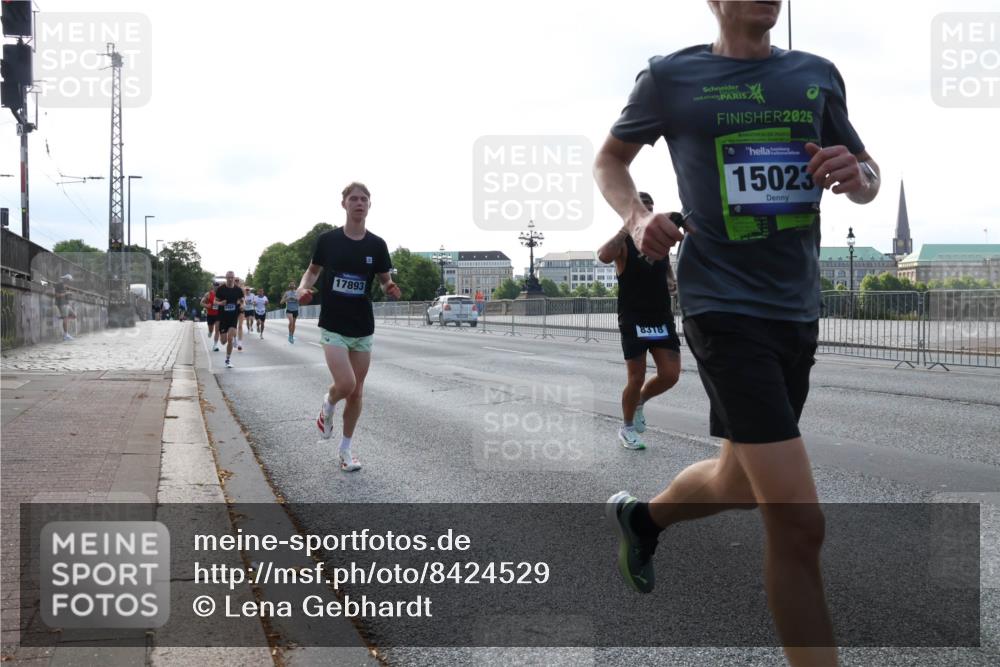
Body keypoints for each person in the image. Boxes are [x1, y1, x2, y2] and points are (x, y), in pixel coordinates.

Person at [594, 2, 880, 665]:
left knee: (741, 480)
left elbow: (868, 176)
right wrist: (637, 219)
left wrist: (855, 174)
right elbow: (610, 161)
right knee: (798, 521)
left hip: (794, 309)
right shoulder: (670, 78)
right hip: (720, 306)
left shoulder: (817, 75)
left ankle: (642, 519)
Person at [296, 182, 400, 472]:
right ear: (344, 204)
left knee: (357, 393)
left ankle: (345, 450)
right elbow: (313, 271)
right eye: (353, 198)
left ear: (369, 205)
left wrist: (391, 287)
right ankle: (327, 405)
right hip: (334, 323)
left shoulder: (377, 245)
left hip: (362, 325)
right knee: (346, 384)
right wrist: (303, 289)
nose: (359, 203)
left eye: (364, 199)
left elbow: (384, 278)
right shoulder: (328, 240)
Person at [597, 191, 680, 450]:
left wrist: (670, 278)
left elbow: (664, 262)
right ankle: (627, 427)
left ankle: (641, 400)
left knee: (671, 374)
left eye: (650, 209)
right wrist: (627, 225)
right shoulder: (624, 244)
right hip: (633, 317)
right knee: (636, 376)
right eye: (643, 209)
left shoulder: (657, 241)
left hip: (660, 315)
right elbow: (603, 255)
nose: (648, 213)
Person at [214, 272, 244, 368]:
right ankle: (227, 337)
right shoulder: (221, 289)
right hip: (223, 317)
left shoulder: (238, 290)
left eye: (232, 277)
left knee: (229, 338)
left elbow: (243, 300)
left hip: (233, 317)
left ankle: (228, 360)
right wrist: (220, 303)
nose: (230, 279)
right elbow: (215, 301)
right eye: (229, 278)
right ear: (226, 278)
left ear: (234, 278)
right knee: (223, 341)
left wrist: (243, 305)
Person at [54, 274, 75, 341]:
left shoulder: (65, 286)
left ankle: (60, 317)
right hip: (61, 304)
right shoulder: (59, 285)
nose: (70, 282)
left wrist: (68, 293)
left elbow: (65, 294)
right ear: (66, 280)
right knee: (65, 319)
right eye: (70, 280)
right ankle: (65, 335)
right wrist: (67, 293)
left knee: (74, 315)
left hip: (66, 304)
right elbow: (57, 295)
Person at [201, 283, 221, 351]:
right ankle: (210, 332)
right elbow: (201, 303)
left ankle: (215, 345)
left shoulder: (222, 294)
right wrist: (207, 306)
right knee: (211, 329)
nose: (216, 287)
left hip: (218, 314)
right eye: (215, 286)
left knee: (217, 330)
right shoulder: (208, 294)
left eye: (218, 286)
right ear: (213, 287)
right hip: (210, 314)